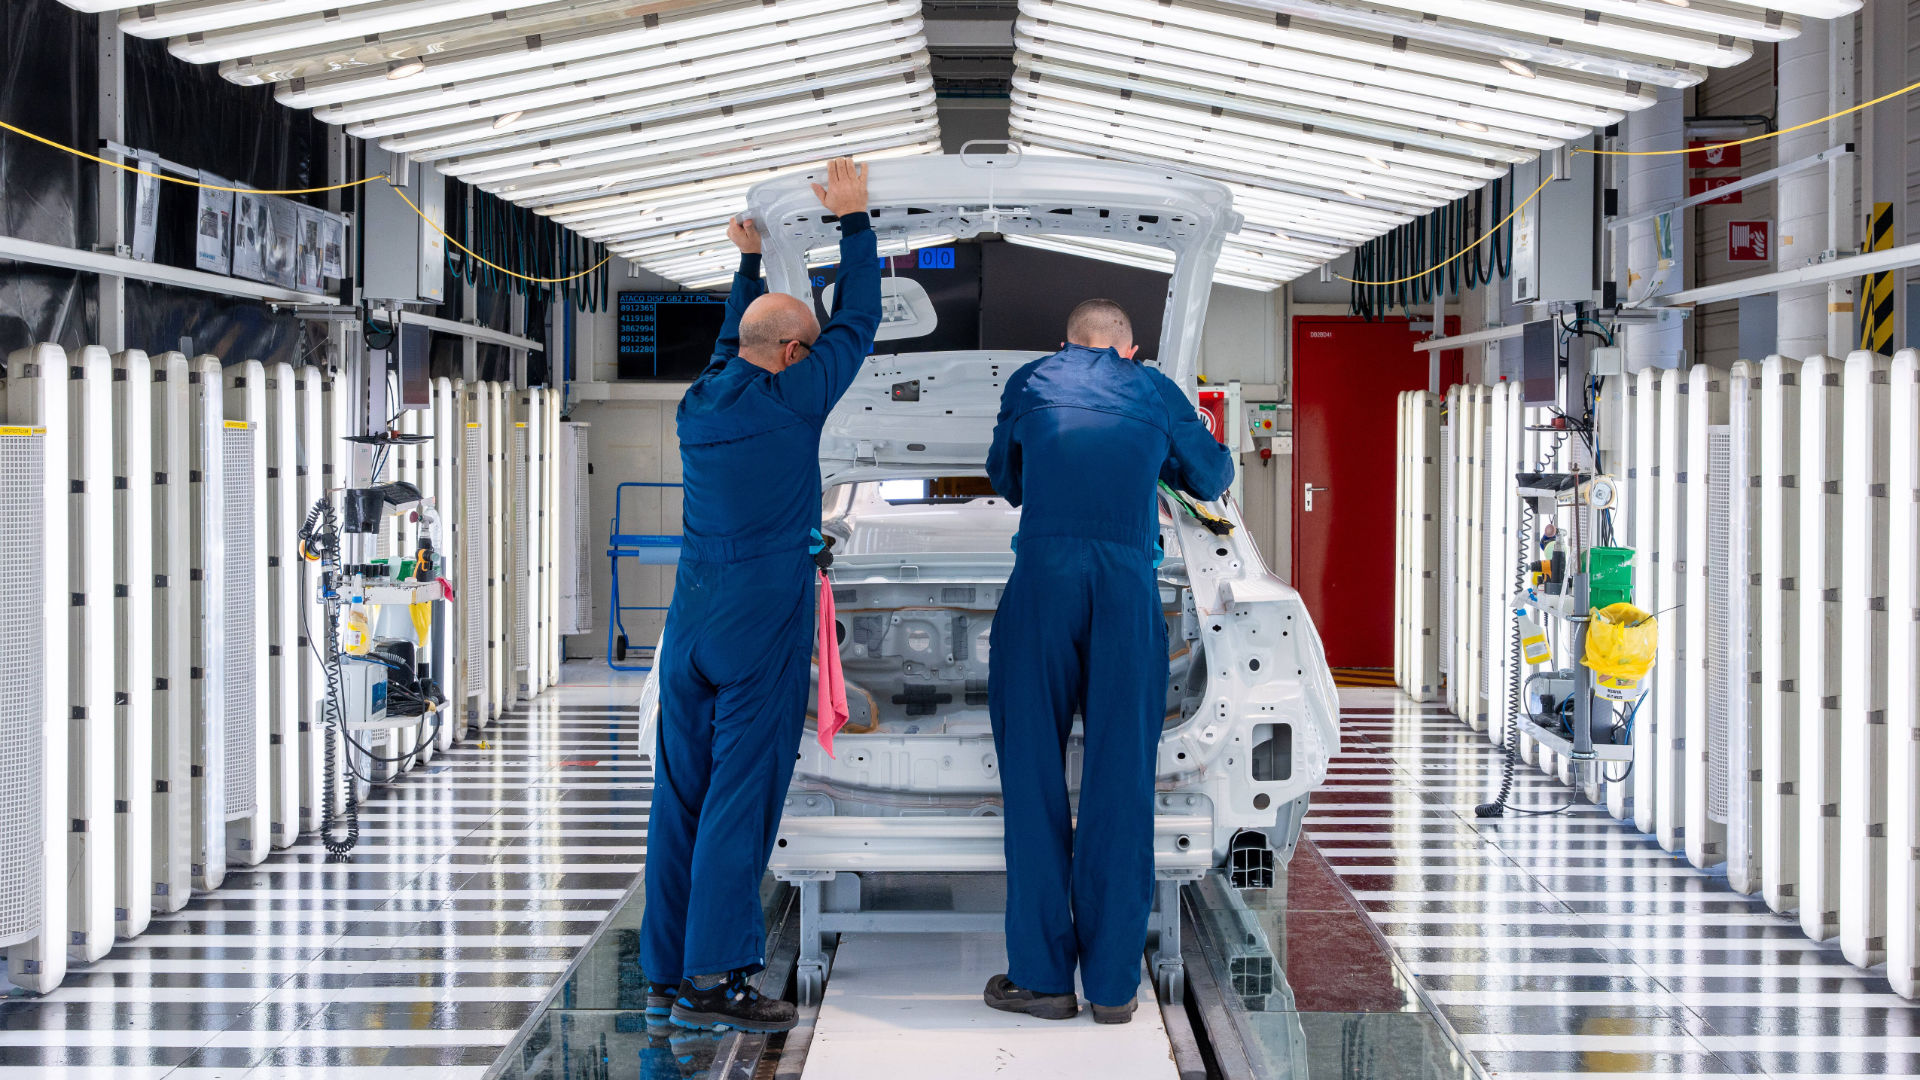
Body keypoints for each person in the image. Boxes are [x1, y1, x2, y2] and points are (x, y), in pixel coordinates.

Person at [641, 158, 879, 1034]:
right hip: (757, 618)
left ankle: (668, 968)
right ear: (791, 356)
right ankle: (716, 977)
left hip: (692, 617)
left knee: (682, 795)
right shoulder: (790, 399)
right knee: (739, 797)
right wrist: (855, 222)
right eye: (804, 350)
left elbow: (731, 343)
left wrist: (747, 263)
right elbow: (859, 321)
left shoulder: (701, 402)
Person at [982, 299, 1234, 1024]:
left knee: (1032, 776)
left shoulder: (1031, 381)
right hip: (1126, 590)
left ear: (1065, 342)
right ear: (1129, 348)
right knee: (1121, 783)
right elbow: (1212, 476)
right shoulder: (1154, 389)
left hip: (1042, 585)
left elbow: (1007, 480)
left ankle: (1042, 979)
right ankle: (1115, 988)